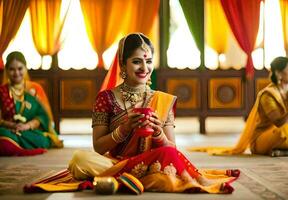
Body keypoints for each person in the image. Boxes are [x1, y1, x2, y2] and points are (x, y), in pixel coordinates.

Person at [24, 33, 239, 194]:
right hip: (114, 163)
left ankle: (126, 180)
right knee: (79, 159)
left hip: (151, 160)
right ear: (122, 65)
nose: (144, 67)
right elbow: (98, 147)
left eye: (148, 61)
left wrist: (158, 134)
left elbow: (171, 147)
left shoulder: (162, 99)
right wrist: (124, 128)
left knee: (172, 155)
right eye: (137, 61)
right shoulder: (105, 98)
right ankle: (136, 178)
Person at [190, 56, 288, 156]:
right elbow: (279, 123)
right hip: (263, 139)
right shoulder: (268, 94)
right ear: (278, 73)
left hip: (284, 136)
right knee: (286, 130)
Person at [0, 51, 63, 156]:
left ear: (25, 68)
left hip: (29, 131)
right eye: (12, 69)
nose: (16, 73)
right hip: (8, 130)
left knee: (42, 140)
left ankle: (13, 145)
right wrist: (13, 125)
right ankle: (16, 145)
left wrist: (27, 126)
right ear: (6, 70)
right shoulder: (2, 91)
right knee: (3, 133)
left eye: (20, 68)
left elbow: (42, 116)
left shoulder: (34, 88)